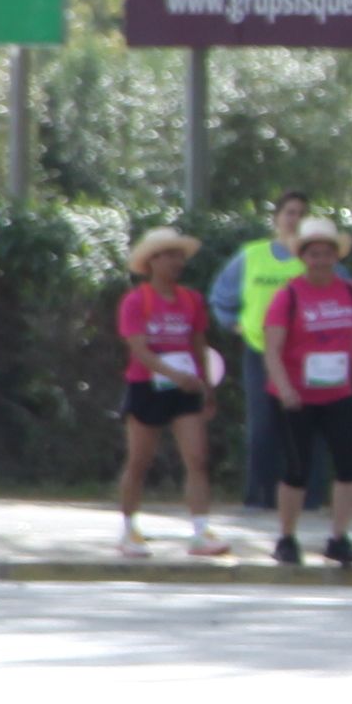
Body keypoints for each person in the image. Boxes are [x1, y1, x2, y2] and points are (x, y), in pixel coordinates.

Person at [261, 216, 352, 568]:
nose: (321, 260)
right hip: (295, 396)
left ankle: (338, 538)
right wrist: (284, 389)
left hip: (338, 394)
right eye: (314, 253)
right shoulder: (288, 296)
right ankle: (286, 537)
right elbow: (271, 349)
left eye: (327, 253)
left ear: (336, 257)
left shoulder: (351, 293)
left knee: (349, 467)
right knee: (297, 470)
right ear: (303, 257)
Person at [113, 228, 230, 558]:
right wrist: (174, 374)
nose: (178, 262)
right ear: (152, 261)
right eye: (170, 255)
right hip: (147, 387)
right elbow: (139, 349)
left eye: (180, 255)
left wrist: (206, 386)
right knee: (139, 461)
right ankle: (128, 530)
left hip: (186, 390)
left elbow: (197, 344)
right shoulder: (136, 300)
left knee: (197, 458)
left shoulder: (191, 299)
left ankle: (199, 530)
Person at [222, 192, 312, 505]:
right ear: (276, 218)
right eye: (289, 212)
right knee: (262, 425)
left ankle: (307, 498)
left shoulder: (313, 258)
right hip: (259, 352)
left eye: (301, 213)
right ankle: (258, 495)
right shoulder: (252, 255)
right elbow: (221, 296)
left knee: (304, 426)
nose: (294, 218)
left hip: (302, 357)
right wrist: (233, 323)